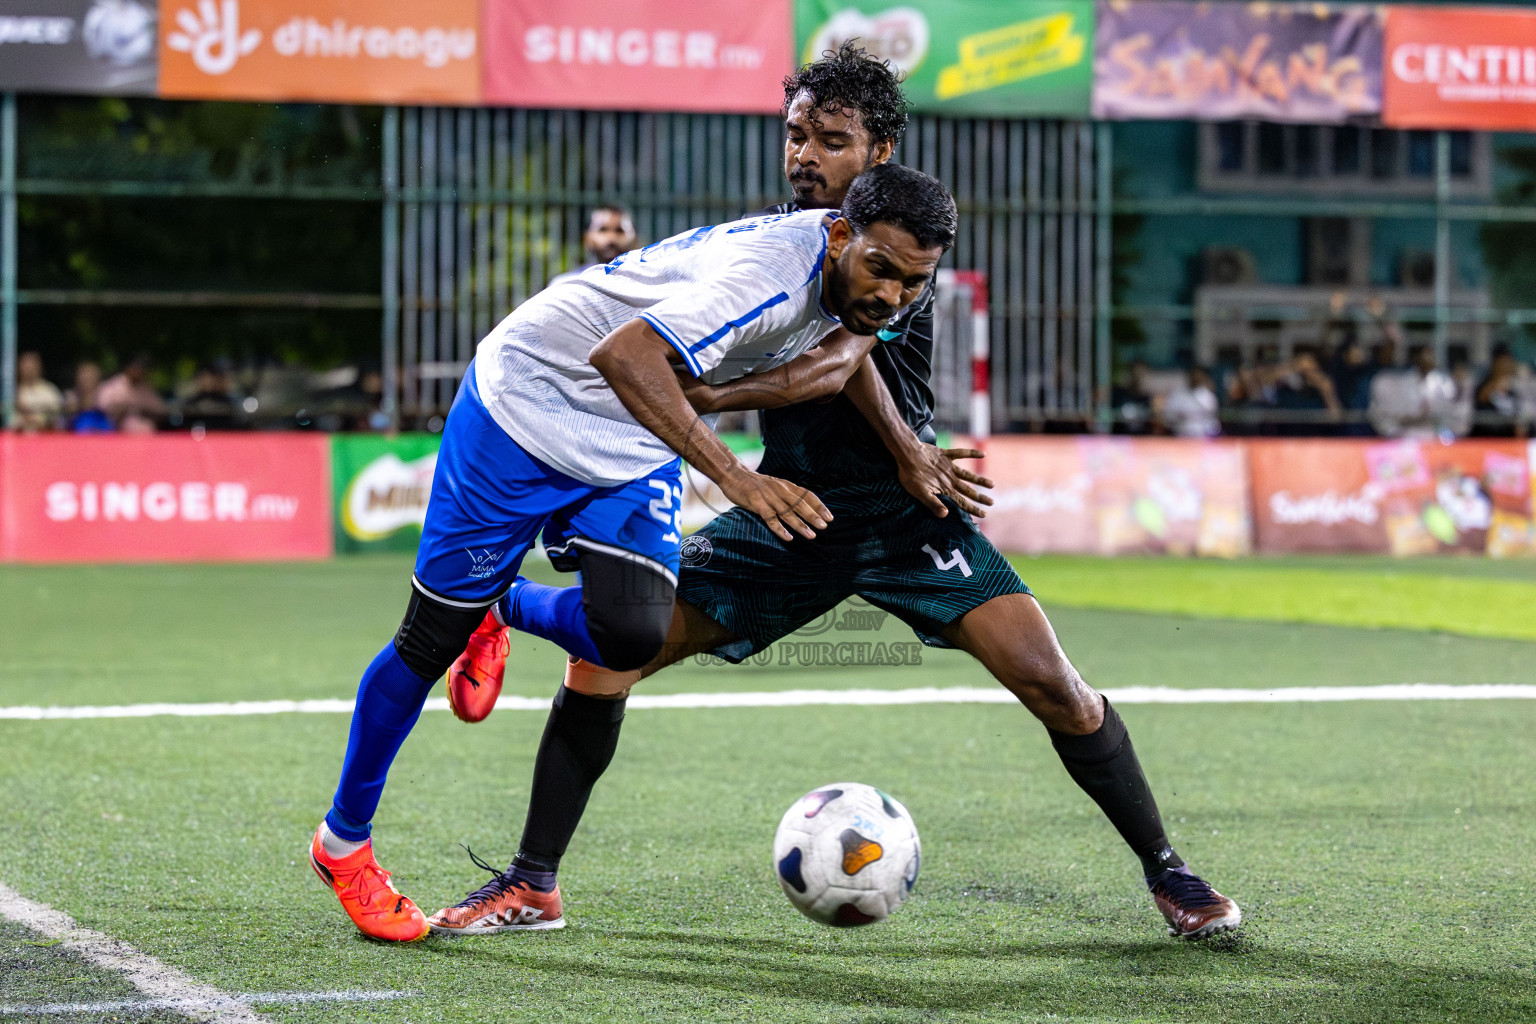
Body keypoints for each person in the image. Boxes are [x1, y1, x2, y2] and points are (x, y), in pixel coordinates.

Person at [435, 43, 1240, 943]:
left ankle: (1171, 873)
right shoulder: (781, 247)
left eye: (832, 139)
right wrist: (853, 435)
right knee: (609, 661)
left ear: (880, 156)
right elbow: (808, 366)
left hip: (903, 518)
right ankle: (531, 880)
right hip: (793, 513)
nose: (805, 156)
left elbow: (831, 365)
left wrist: (871, 442)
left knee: (1056, 685)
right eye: (796, 137)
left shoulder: (901, 243)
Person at [309, 161, 962, 942]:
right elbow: (623, 357)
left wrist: (901, 449)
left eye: (912, 283)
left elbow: (840, 359)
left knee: (631, 634)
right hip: (527, 400)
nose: (891, 296)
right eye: (881, 271)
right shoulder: (767, 280)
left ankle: (500, 603)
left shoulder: (862, 284)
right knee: (428, 637)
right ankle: (342, 843)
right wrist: (735, 477)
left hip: (633, 427)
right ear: (840, 234)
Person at [547, 205, 638, 288]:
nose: (611, 238)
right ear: (587, 238)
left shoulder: (646, 284)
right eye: (603, 230)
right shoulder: (565, 284)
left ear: (635, 239)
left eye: (619, 231)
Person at [97, 354, 166, 433]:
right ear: (128, 368)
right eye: (137, 368)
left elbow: (161, 410)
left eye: (142, 369)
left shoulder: (145, 387)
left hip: (145, 435)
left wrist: (142, 409)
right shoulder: (113, 386)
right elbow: (101, 409)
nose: (140, 372)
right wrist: (123, 407)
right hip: (115, 433)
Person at [14, 351, 63, 432]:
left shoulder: (49, 390)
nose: (29, 368)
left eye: (32, 365)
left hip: (43, 438)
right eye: (25, 365)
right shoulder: (11, 391)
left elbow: (58, 414)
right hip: (16, 438)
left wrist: (37, 419)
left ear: (39, 367)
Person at [63, 361, 112, 434]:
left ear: (98, 377)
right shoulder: (70, 396)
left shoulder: (107, 395)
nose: (86, 379)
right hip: (75, 436)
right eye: (83, 375)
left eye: (90, 376)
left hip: (105, 435)